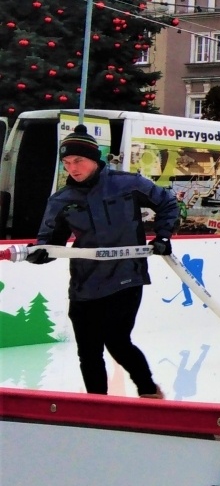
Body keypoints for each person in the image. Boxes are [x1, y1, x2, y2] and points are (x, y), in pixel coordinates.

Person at [28, 125, 180, 398]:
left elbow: (168, 203)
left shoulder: (128, 183)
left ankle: (148, 391)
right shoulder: (61, 200)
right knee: (88, 350)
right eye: (67, 163)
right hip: (85, 283)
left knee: (117, 340)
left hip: (126, 276)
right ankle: (96, 404)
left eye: (78, 161)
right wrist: (40, 253)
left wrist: (163, 235)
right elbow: (50, 241)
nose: (72, 168)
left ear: (94, 159)